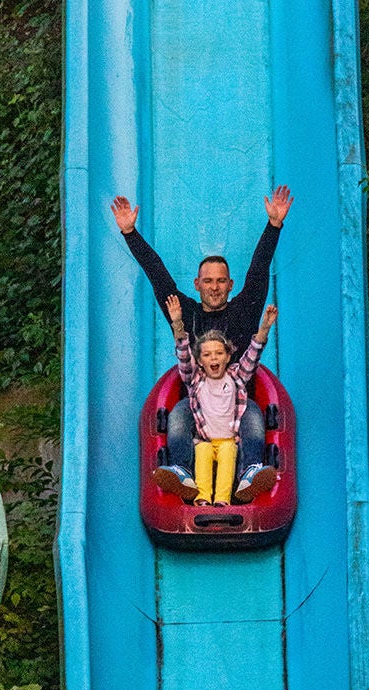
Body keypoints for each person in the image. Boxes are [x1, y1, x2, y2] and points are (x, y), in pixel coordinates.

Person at [111, 186, 293, 502]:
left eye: (221, 281)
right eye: (208, 281)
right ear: (197, 285)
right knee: (179, 412)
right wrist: (130, 233)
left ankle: (250, 473)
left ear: (230, 284)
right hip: (198, 409)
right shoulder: (186, 314)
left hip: (235, 407)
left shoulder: (245, 310)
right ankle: (182, 473)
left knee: (253, 413)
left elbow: (259, 270)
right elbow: (159, 277)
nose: (214, 287)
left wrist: (273, 226)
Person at [166, 293, 278, 505]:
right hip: (205, 440)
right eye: (207, 355)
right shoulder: (195, 379)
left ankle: (232, 492)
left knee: (228, 453)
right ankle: (199, 494)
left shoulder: (236, 376)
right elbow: (183, 353)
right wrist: (178, 323)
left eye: (219, 353)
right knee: (202, 451)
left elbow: (253, 354)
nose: (214, 358)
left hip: (229, 440)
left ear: (228, 356)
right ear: (200, 360)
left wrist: (264, 329)